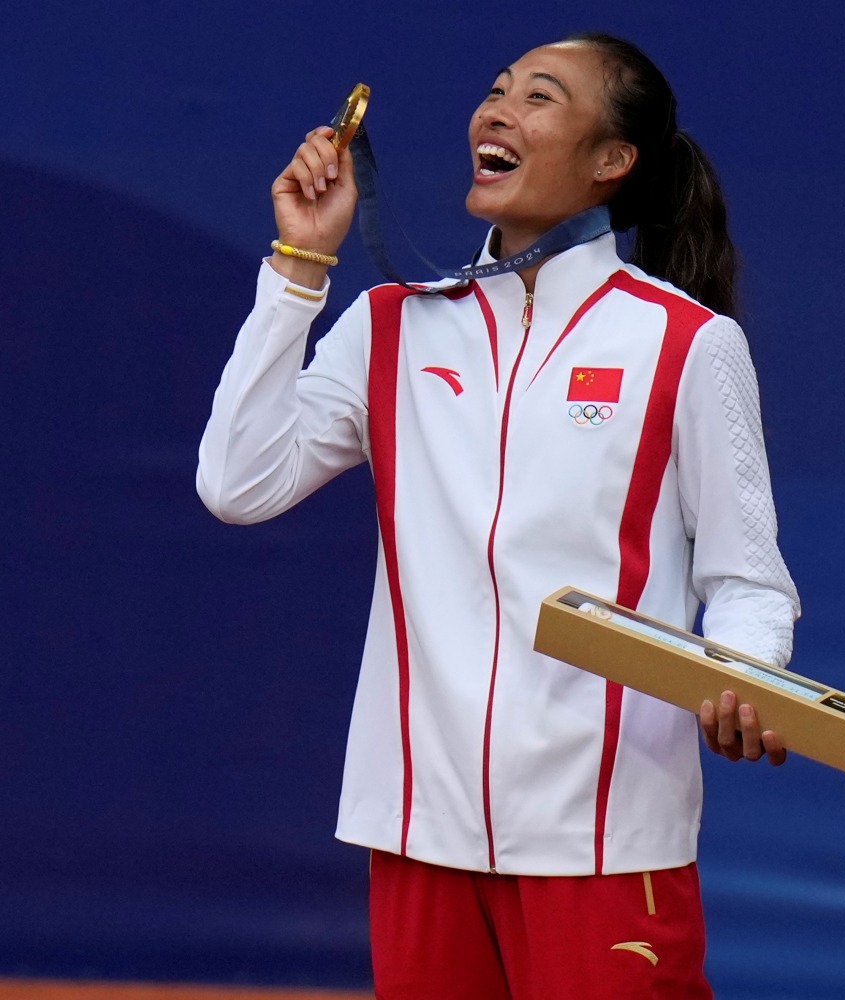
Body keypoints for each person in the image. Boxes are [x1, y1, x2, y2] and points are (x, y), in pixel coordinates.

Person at [197, 32, 799, 1000]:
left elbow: (749, 583)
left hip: (604, 841)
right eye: (495, 90)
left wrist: (744, 678)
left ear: (612, 162)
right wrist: (299, 267)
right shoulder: (393, 323)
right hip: (416, 830)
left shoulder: (684, 341)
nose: (498, 110)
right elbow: (237, 481)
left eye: (540, 97)